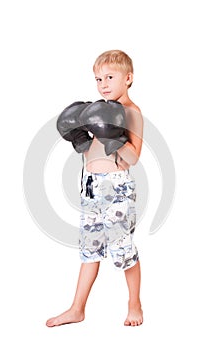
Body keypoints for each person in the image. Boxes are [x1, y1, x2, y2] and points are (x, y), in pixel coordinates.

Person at [46, 50, 144, 327]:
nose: (102, 84)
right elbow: (93, 152)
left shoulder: (131, 112)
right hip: (91, 188)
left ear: (128, 78)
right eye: (98, 78)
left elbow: (134, 157)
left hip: (117, 191)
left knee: (123, 250)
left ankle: (134, 304)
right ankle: (77, 309)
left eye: (109, 77)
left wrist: (113, 138)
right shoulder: (97, 111)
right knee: (89, 251)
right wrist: (80, 138)